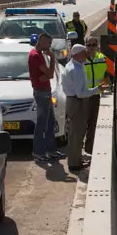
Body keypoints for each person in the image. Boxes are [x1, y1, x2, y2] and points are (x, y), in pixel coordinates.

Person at [61, 43, 108, 172]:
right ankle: (74, 163)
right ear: (77, 55)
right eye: (84, 52)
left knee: (75, 133)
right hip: (78, 103)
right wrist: (97, 89)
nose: (86, 54)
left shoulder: (73, 65)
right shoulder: (76, 70)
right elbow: (80, 93)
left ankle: (75, 159)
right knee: (77, 133)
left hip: (73, 102)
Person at [28, 33, 64, 163]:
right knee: (42, 123)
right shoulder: (36, 56)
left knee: (50, 123)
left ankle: (51, 150)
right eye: (48, 43)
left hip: (46, 92)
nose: (49, 46)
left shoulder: (39, 55)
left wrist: (45, 76)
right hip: (41, 93)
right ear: (41, 41)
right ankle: (38, 152)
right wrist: (53, 57)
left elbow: (46, 76)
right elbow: (49, 74)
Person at [82, 36, 109, 157]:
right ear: (85, 45)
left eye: (93, 45)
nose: (91, 48)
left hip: (95, 96)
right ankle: (79, 149)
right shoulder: (81, 59)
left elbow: (107, 76)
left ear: (97, 46)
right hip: (82, 96)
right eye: (89, 45)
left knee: (93, 124)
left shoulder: (102, 58)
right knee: (81, 124)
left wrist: (109, 86)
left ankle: (89, 149)